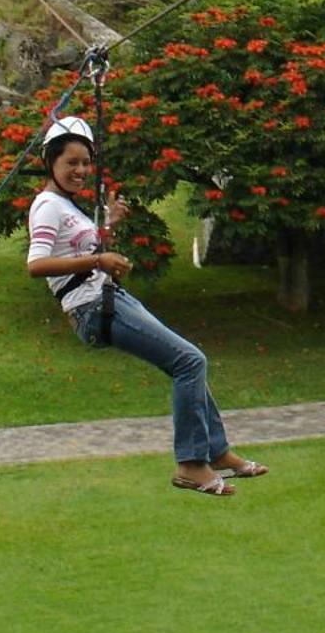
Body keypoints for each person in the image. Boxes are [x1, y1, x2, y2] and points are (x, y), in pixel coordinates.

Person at [25, 115, 267, 497]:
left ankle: (217, 452)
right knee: (189, 361)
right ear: (50, 162)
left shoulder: (65, 206)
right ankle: (191, 464)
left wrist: (108, 226)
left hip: (106, 299)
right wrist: (99, 261)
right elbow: (36, 265)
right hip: (92, 308)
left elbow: (84, 251)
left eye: (85, 163)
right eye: (71, 162)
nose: (81, 170)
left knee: (189, 361)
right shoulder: (47, 206)